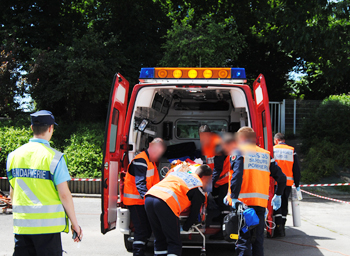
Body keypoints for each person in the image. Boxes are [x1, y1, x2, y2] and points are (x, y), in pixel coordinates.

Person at [6, 110, 82, 256]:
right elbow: (64, 195)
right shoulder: (55, 158)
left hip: (23, 227)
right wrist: (75, 225)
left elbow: (13, 191)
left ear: (31, 128)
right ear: (50, 128)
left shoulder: (13, 156)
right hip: (48, 229)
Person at [225, 127, 286, 256]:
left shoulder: (239, 152)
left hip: (243, 204)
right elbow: (281, 178)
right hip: (260, 205)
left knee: (243, 240)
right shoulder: (266, 154)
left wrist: (233, 197)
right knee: (258, 240)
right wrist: (278, 194)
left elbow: (237, 175)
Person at [145, 164, 212, 256]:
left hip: (149, 197)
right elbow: (194, 212)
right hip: (165, 201)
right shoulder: (198, 185)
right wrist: (186, 227)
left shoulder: (179, 174)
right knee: (174, 242)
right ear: (204, 177)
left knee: (160, 239)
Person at [123, 138, 166, 256]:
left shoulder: (149, 160)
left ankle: (140, 251)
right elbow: (140, 184)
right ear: (151, 147)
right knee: (141, 231)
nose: (158, 156)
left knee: (145, 230)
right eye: (157, 153)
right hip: (136, 202)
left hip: (141, 201)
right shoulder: (141, 160)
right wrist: (149, 201)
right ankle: (138, 253)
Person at [273, 133, 301, 237]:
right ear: (283, 140)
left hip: (275, 183)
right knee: (284, 204)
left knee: (275, 205)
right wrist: (297, 184)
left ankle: (276, 227)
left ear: (276, 140)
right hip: (288, 183)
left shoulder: (272, 149)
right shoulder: (291, 150)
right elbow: (296, 169)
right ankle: (282, 228)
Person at [210, 132, 237, 240]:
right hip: (224, 181)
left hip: (224, 182)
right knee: (221, 204)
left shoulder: (220, 151)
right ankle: (221, 218)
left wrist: (210, 184)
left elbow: (218, 169)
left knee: (224, 207)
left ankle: (223, 231)